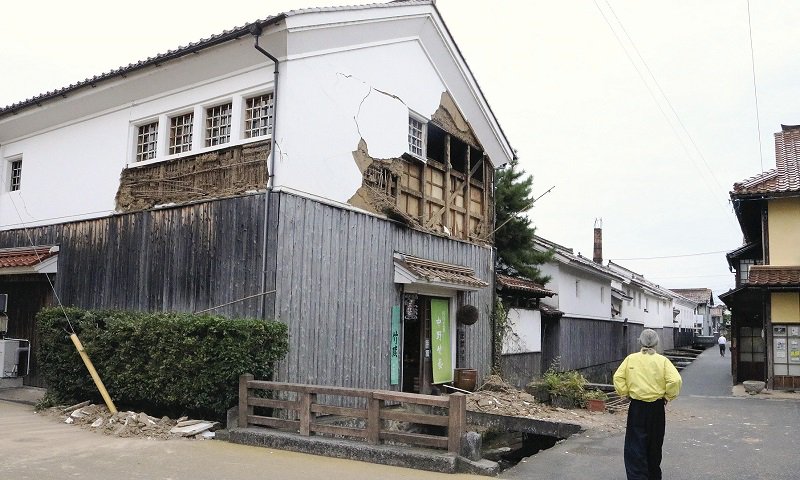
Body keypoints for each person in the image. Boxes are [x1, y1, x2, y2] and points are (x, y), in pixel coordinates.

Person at [613, 329, 682, 480]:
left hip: (637, 406)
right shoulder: (663, 361)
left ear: (640, 341)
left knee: (635, 444)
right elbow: (675, 380)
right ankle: (653, 476)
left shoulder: (631, 359)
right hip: (657, 407)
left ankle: (637, 476)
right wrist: (668, 396)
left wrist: (625, 393)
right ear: (657, 342)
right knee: (654, 444)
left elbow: (618, 378)